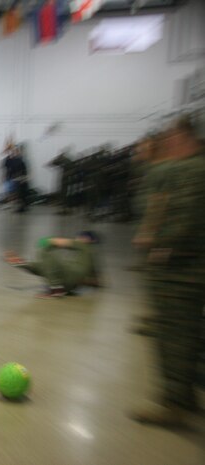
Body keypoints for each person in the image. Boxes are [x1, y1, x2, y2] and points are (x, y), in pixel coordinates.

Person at [129, 115, 205, 427]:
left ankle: (175, 404)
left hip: (181, 269)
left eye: (171, 136)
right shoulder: (187, 167)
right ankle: (184, 397)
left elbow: (183, 218)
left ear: (182, 136)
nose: (167, 141)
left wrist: (155, 245)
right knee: (184, 334)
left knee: (174, 335)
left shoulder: (191, 170)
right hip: (184, 264)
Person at [4, 231, 101, 298]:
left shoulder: (82, 244)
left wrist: (46, 241)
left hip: (68, 276)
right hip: (69, 284)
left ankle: (55, 289)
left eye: (79, 237)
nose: (77, 238)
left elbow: (58, 241)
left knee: (44, 251)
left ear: (86, 239)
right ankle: (20, 262)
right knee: (43, 266)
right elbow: (95, 281)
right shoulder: (91, 255)